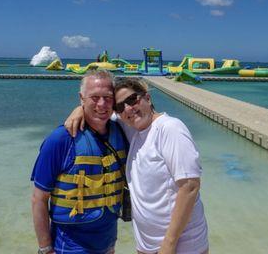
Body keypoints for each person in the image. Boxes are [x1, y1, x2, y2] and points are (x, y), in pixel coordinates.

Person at [66, 77, 209, 254]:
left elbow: (189, 187)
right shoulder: (132, 128)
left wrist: (169, 244)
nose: (128, 109)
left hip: (181, 244)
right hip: (147, 244)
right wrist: (79, 109)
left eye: (132, 100)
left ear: (147, 98)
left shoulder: (170, 128)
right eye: (120, 107)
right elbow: (99, 111)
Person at [31, 70, 128, 254]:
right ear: (81, 98)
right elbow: (39, 198)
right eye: (94, 97)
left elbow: (145, 116)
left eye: (107, 97)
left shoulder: (121, 132)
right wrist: (45, 248)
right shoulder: (61, 140)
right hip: (69, 245)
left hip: (108, 241)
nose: (102, 104)